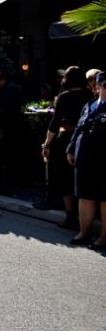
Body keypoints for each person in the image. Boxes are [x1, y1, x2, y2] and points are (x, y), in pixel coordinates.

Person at [39, 67, 92, 228]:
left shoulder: (64, 97)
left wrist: (47, 143)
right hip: (86, 138)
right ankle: (85, 214)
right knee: (83, 176)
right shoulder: (90, 95)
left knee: (64, 177)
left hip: (66, 137)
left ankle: (70, 215)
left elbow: (55, 122)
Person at [66, 71, 106, 250]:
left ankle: (104, 237)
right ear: (97, 87)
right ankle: (84, 231)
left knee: (104, 199)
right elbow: (78, 128)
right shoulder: (89, 105)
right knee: (85, 195)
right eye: (103, 85)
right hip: (85, 157)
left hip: (103, 158)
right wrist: (71, 148)